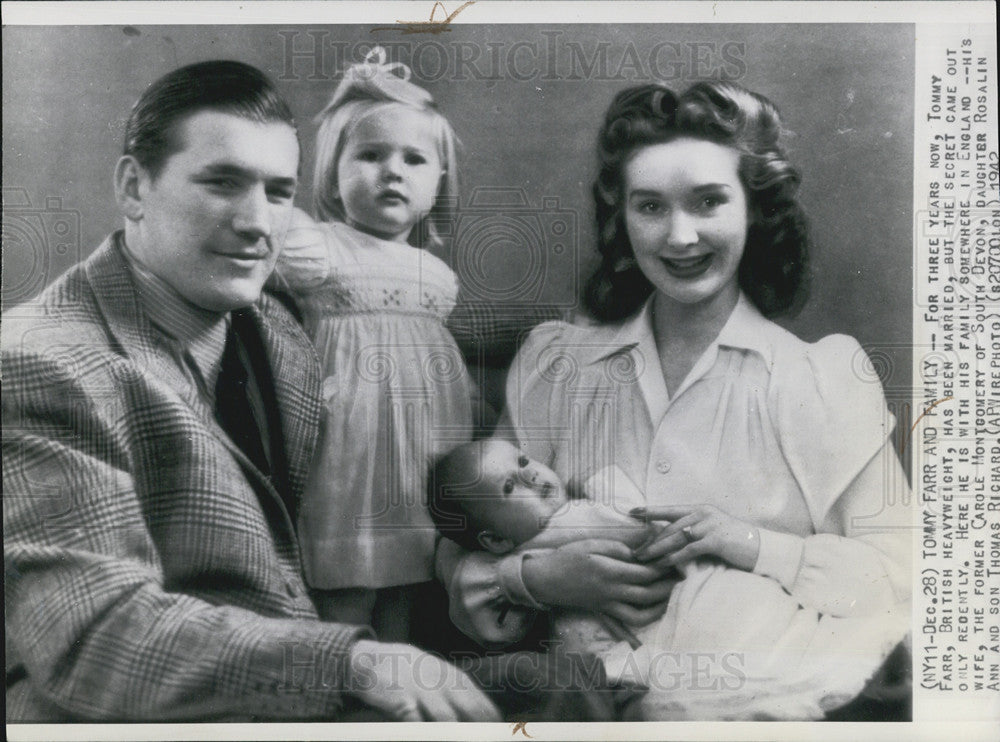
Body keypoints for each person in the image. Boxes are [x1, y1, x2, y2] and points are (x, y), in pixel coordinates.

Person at [2, 60, 499, 723]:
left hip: (306, 692)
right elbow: (99, 638)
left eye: (278, 192)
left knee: (574, 689)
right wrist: (349, 660)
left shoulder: (276, 327)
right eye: (222, 183)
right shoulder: (38, 361)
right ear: (133, 186)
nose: (257, 222)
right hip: (142, 717)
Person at [437, 81, 912, 719]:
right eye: (651, 207)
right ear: (622, 216)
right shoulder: (560, 363)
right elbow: (464, 524)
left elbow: (904, 580)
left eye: (709, 202)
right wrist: (532, 580)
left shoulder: (817, 377)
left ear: (755, 208)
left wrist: (749, 543)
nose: (680, 237)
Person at [432, 438, 910, 718]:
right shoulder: (559, 527)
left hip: (663, 614)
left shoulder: (559, 519)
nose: (533, 477)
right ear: (493, 541)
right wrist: (531, 578)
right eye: (510, 487)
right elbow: (635, 523)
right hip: (631, 636)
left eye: (523, 462)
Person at [268, 47, 474, 641]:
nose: (393, 171)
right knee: (349, 575)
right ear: (333, 173)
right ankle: (344, 685)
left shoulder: (437, 275)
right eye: (370, 155)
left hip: (424, 446)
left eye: (414, 159)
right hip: (350, 442)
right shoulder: (319, 248)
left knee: (410, 578)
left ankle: (398, 687)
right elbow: (267, 236)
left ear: (439, 181)